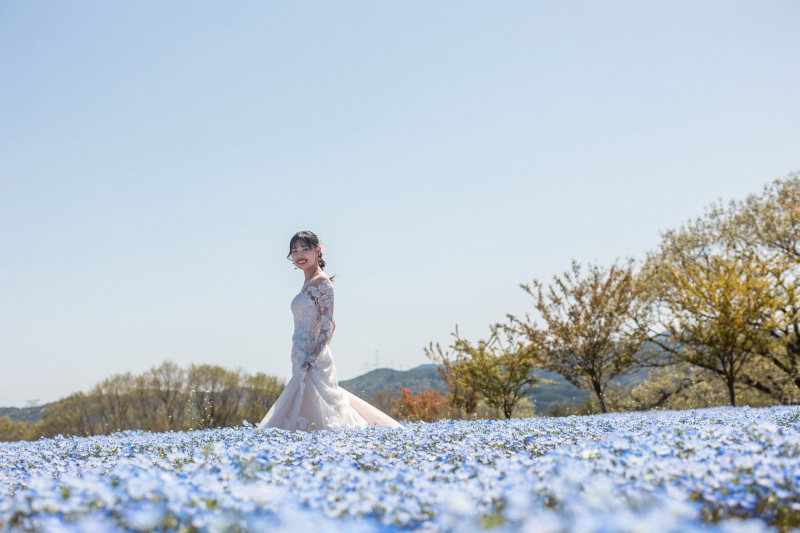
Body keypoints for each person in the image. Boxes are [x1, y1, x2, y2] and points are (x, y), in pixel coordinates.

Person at [259, 231, 402, 431]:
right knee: (305, 403)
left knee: (322, 405)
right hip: (300, 353)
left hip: (313, 356)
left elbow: (328, 325)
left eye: (305, 249)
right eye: (295, 250)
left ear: (318, 250)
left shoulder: (321, 281)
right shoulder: (307, 282)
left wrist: (313, 357)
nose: (300, 254)